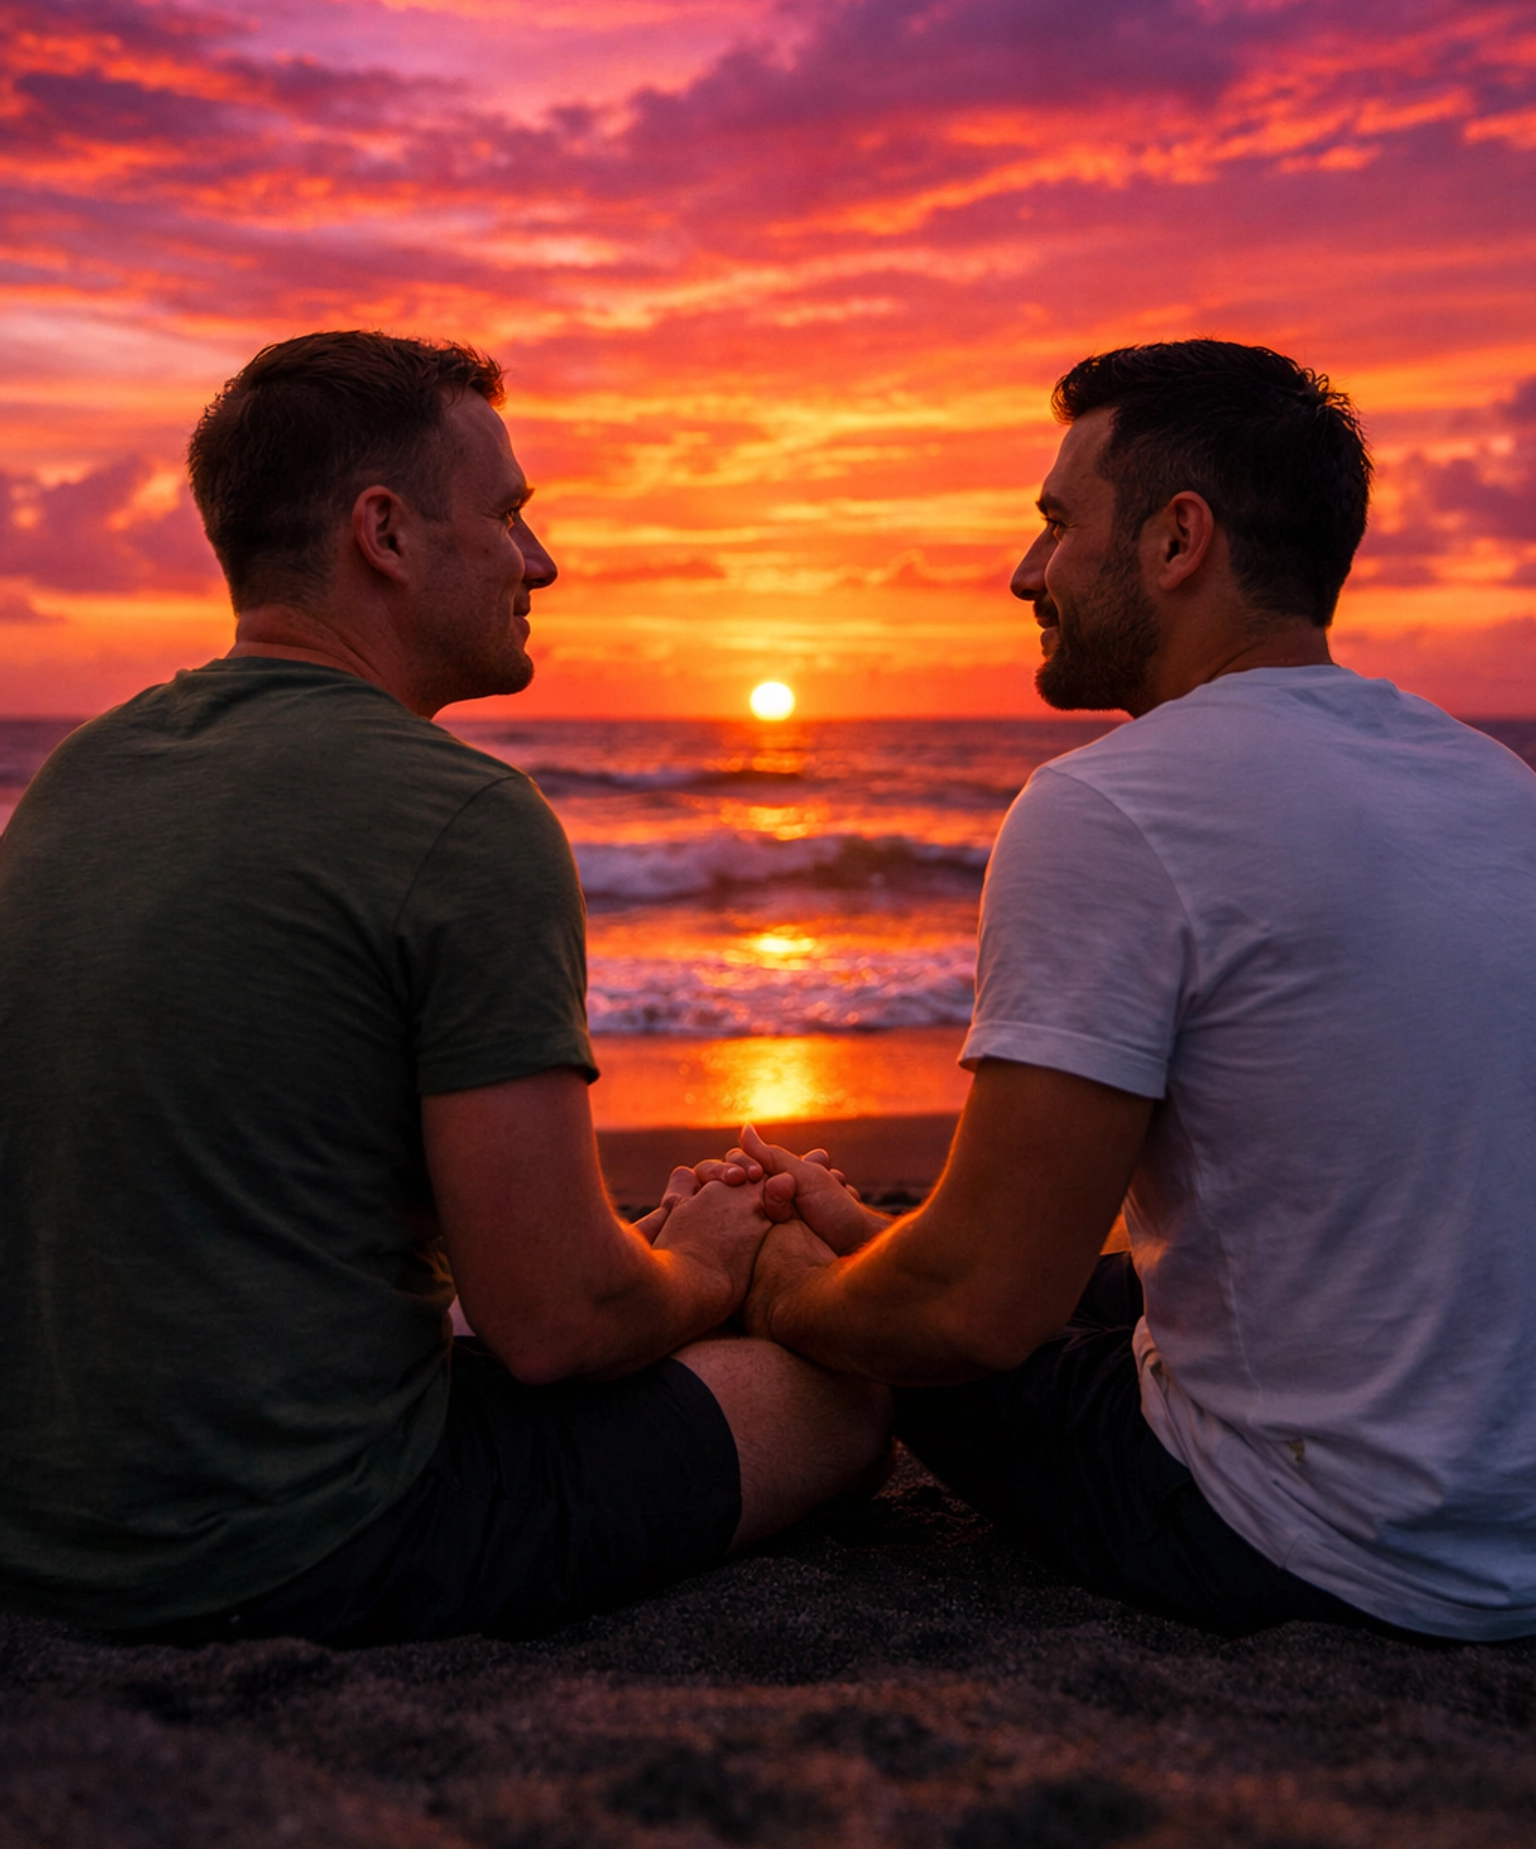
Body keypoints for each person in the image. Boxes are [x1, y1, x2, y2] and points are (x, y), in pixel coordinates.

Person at [0, 330, 888, 1645]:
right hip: (301, 1543)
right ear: (387, 533)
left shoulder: (82, 776)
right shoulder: (464, 818)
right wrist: (696, 1266)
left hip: (43, 1530)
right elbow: (556, 1324)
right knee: (842, 1394)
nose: (541, 561)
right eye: (512, 516)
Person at [734, 339, 1536, 1640]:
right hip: (1513, 1511)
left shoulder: (1114, 806)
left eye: (1056, 523)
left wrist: (780, 1284)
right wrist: (871, 1233)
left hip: (1326, 1539)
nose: (1025, 570)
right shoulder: (1493, 784)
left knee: (905, 1331)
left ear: (1178, 542)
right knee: (1088, 1289)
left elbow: (986, 1306)